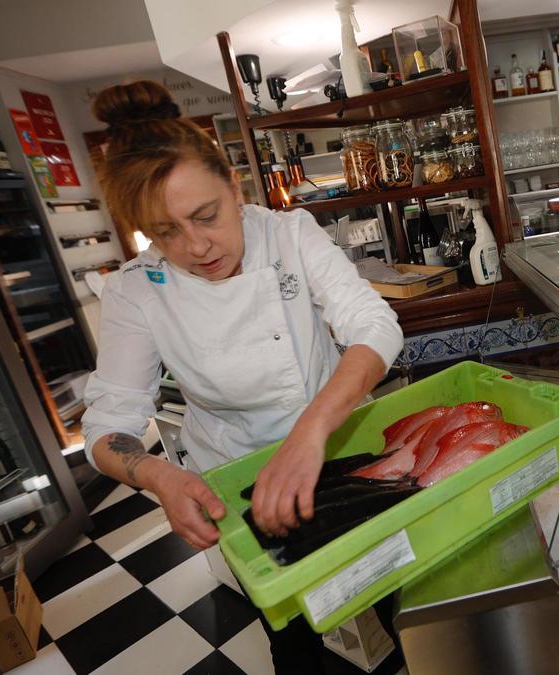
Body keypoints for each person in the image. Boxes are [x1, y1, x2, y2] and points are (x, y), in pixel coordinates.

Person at [80, 80, 403, 672]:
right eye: (166, 232)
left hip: (341, 449)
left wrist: (308, 436)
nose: (197, 246)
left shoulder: (289, 235)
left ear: (234, 185)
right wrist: (159, 477)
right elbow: (107, 423)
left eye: (207, 216)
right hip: (233, 479)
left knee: (389, 597)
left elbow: (374, 326)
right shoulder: (134, 289)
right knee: (294, 637)